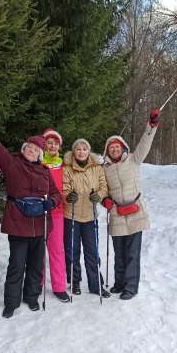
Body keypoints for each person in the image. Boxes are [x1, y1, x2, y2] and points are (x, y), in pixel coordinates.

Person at [0, 107, 61, 318]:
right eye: (29, 147)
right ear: (24, 149)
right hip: (18, 223)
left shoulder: (45, 172)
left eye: (35, 150)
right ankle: (11, 301)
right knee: (16, 265)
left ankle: (32, 298)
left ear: (40, 155)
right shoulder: (11, 163)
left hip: (40, 225)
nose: (31, 151)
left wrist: (52, 203)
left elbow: (57, 194)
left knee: (36, 266)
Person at [101, 109, 160, 300]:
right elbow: (102, 188)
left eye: (117, 147)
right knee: (119, 253)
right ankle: (119, 283)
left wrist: (151, 126)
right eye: (112, 148)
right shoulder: (105, 169)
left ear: (123, 148)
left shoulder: (134, 160)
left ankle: (131, 287)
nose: (115, 150)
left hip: (135, 212)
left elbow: (145, 143)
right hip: (117, 213)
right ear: (107, 151)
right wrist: (105, 199)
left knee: (133, 253)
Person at [63, 139, 110, 298]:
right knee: (72, 251)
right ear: (74, 151)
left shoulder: (97, 168)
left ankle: (96, 284)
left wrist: (99, 195)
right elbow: (63, 188)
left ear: (88, 151)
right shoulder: (67, 168)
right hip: (72, 215)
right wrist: (68, 196)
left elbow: (104, 187)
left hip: (90, 216)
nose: (81, 152)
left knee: (92, 252)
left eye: (84, 149)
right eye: (78, 149)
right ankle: (74, 282)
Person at [42, 128, 70, 302]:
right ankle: (36, 284)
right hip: (37, 212)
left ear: (59, 146)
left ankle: (59, 287)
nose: (52, 146)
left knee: (57, 250)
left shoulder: (64, 165)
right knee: (37, 250)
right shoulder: (36, 162)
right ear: (44, 145)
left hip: (57, 212)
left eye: (55, 143)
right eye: (49, 143)